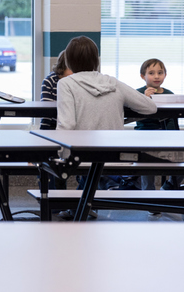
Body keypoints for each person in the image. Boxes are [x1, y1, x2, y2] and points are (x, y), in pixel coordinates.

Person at [56, 36, 157, 219]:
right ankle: (95, 194)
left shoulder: (66, 84)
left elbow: (67, 124)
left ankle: (82, 204)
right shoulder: (112, 82)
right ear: (96, 60)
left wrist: (60, 155)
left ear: (69, 61)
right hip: (116, 155)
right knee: (93, 166)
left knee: (68, 162)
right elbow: (150, 107)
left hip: (83, 156)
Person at [118, 58, 181, 192]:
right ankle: (149, 198)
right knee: (147, 167)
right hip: (144, 137)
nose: (157, 76)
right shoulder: (137, 93)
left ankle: (169, 186)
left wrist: (170, 137)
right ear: (143, 76)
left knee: (179, 162)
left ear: (165, 75)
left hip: (166, 138)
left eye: (160, 72)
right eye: (151, 73)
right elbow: (133, 116)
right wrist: (144, 99)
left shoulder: (169, 94)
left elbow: (172, 120)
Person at [39, 50, 71, 190]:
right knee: (52, 168)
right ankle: (53, 201)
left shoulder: (76, 82)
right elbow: (48, 111)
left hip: (72, 128)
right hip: (51, 127)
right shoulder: (50, 81)